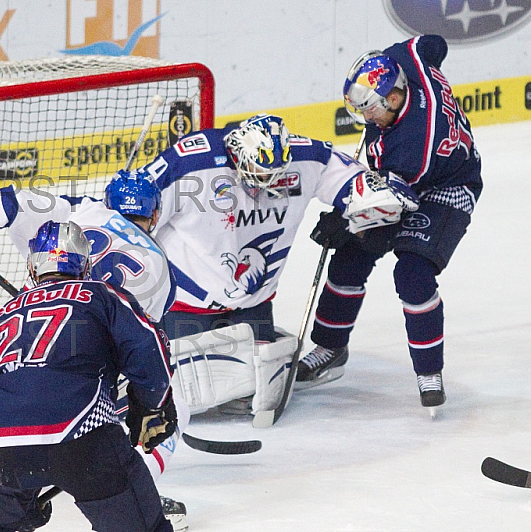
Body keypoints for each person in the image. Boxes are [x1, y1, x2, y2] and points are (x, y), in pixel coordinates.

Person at [0, 171, 189, 530]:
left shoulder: (81, 214)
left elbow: (11, 205)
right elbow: (146, 349)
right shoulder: (152, 271)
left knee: (18, 377)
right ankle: (138, 496)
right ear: (154, 217)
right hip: (80, 427)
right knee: (171, 412)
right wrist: (152, 405)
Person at [132, 113, 416, 414]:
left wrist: (353, 214)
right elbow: (134, 212)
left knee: (250, 394)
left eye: (274, 174)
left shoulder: (305, 158)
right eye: (259, 172)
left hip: (254, 300)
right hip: (186, 302)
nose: (267, 183)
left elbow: (369, 187)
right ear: (237, 155)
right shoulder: (190, 163)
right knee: (188, 397)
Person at [298, 35, 482, 411]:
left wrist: (346, 218)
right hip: (405, 180)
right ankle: (331, 347)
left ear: (395, 98)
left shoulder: (413, 145)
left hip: (446, 187)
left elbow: (391, 204)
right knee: (349, 257)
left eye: (371, 110)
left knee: (413, 273)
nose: (367, 118)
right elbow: (432, 44)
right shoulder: (404, 60)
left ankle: (429, 371)